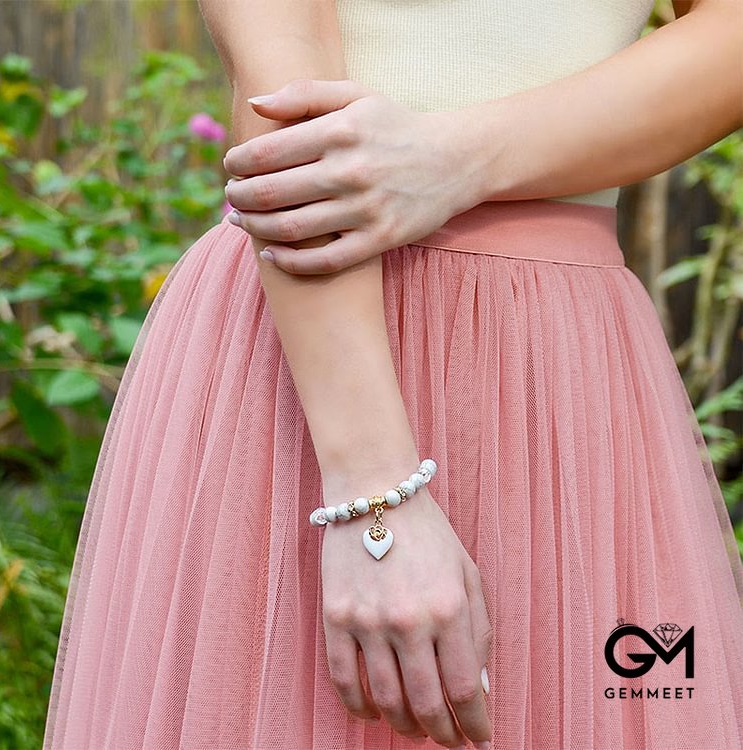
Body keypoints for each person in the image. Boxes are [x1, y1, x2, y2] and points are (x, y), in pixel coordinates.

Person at [43, 1, 743, 748]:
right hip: (318, 356)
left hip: (564, 380)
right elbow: (286, 90)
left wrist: (461, 157)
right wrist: (374, 499)